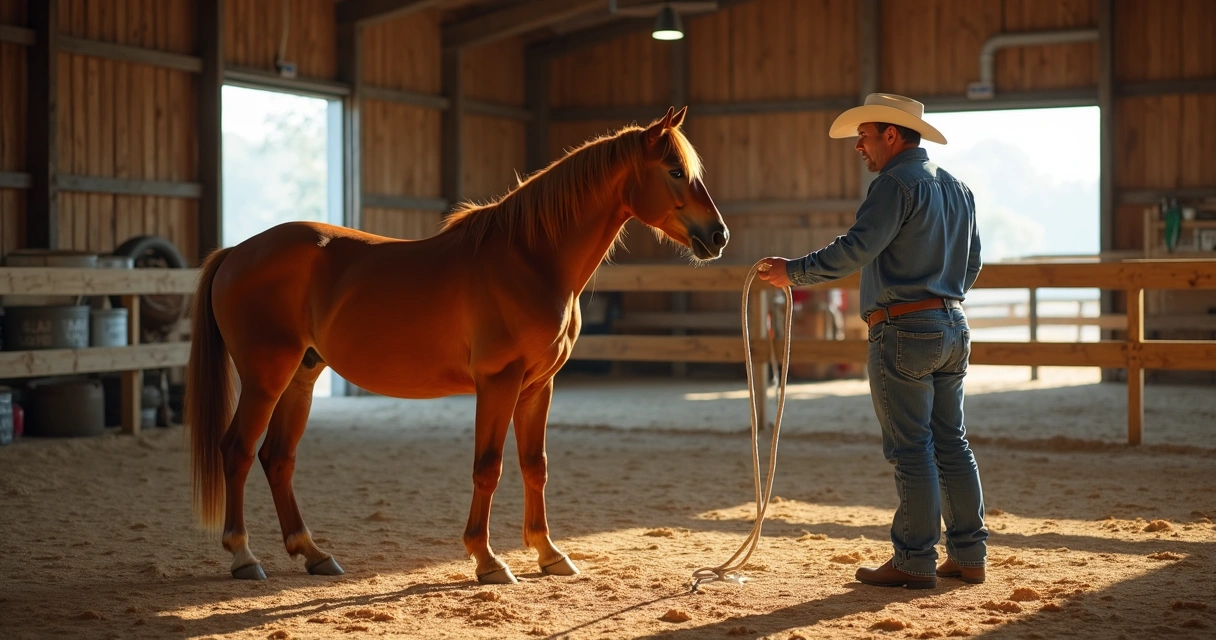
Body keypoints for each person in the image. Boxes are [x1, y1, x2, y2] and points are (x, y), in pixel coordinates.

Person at [757, 93, 987, 589]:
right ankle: (969, 554)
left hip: (903, 329)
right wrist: (943, 297)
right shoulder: (958, 188)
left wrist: (792, 272)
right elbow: (972, 264)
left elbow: (856, 249)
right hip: (952, 323)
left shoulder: (893, 185)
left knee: (911, 447)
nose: (858, 145)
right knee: (952, 442)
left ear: (890, 134)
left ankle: (913, 560)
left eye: (864, 135)